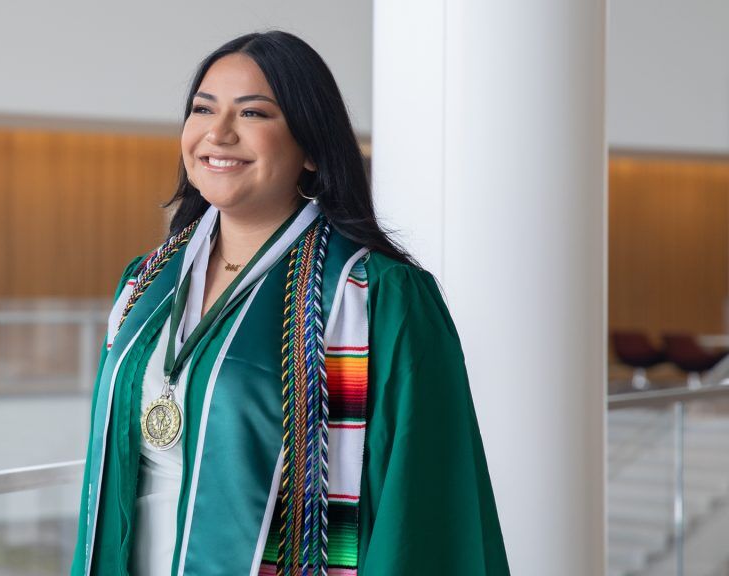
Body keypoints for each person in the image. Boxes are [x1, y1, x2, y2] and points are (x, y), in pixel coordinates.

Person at [71, 31, 509, 576]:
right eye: (202, 109)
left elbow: (425, 513)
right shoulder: (145, 282)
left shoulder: (374, 298)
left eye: (253, 114)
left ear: (310, 148)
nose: (218, 132)